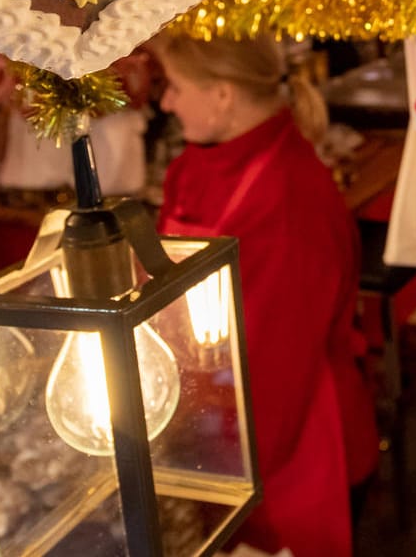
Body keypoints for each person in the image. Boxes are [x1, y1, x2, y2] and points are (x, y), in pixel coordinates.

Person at [151, 34, 377, 556]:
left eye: (176, 87)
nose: (166, 102)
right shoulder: (194, 165)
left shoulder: (291, 198)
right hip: (214, 430)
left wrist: (220, 477)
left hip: (289, 449)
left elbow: (279, 366)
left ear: (222, 95)